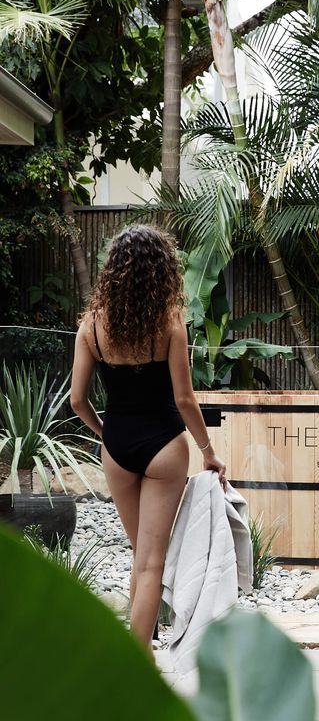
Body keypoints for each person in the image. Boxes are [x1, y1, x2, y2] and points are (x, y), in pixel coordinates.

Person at [70, 223, 226, 649]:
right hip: (164, 447)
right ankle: (139, 669)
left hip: (117, 449)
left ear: (113, 270)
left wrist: (106, 434)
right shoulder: (170, 322)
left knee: (140, 556)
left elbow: (78, 400)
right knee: (152, 562)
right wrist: (208, 452)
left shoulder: (92, 327)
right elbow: (185, 400)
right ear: (161, 270)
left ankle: (135, 654)